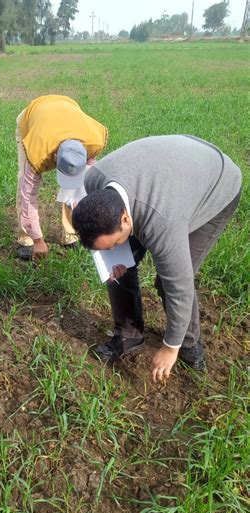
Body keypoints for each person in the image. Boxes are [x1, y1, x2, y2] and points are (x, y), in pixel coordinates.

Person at [71, 135, 242, 382]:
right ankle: (129, 334)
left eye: (114, 243)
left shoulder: (161, 223)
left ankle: (188, 342)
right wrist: (115, 257)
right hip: (169, 172)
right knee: (119, 266)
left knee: (169, 279)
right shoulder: (94, 179)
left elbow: (179, 287)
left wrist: (170, 347)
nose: (111, 250)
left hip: (216, 182)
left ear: (125, 219)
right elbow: (112, 243)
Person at [15, 95, 108, 261]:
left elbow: (89, 183)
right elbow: (28, 195)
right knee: (24, 181)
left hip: (66, 108)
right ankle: (26, 238)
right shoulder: (37, 151)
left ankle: (70, 234)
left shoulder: (94, 141)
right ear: (56, 157)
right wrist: (38, 240)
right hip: (34, 118)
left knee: (78, 184)